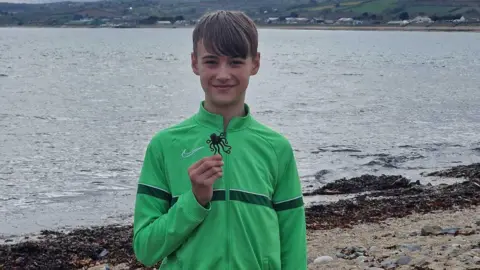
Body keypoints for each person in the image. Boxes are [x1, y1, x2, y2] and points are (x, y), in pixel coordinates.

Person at [132, 10, 307, 270]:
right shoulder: (165, 145)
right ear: (195, 63)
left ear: (255, 63)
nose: (223, 74)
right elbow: (145, 249)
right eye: (212, 62)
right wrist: (195, 200)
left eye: (235, 62)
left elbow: (293, 246)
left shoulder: (276, 148)